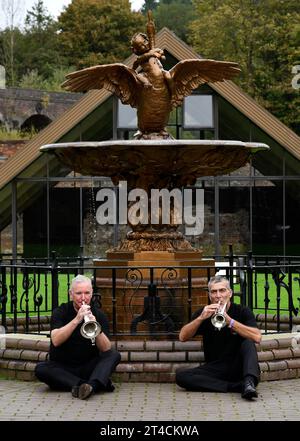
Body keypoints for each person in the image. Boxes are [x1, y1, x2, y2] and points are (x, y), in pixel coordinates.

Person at [176, 275, 261, 400]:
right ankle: (237, 387)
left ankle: (249, 382)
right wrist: (200, 319)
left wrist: (230, 321)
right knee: (181, 377)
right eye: (214, 292)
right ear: (210, 295)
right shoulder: (204, 313)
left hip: (240, 366)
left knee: (248, 342)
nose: (218, 295)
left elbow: (257, 337)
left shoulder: (242, 311)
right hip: (216, 367)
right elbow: (182, 337)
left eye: (222, 290)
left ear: (230, 293)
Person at [35, 275, 121, 400]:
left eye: (87, 293)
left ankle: (85, 385)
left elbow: (106, 349)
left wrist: (96, 328)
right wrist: (77, 319)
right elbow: (56, 341)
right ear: (71, 294)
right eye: (79, 293)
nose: (83, 298)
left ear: (92, 294)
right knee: (41, 369)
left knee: (114, 355)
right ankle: (93, 384)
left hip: (88, 367)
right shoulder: (61, 312)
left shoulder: (99, 315)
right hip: (63, 366)